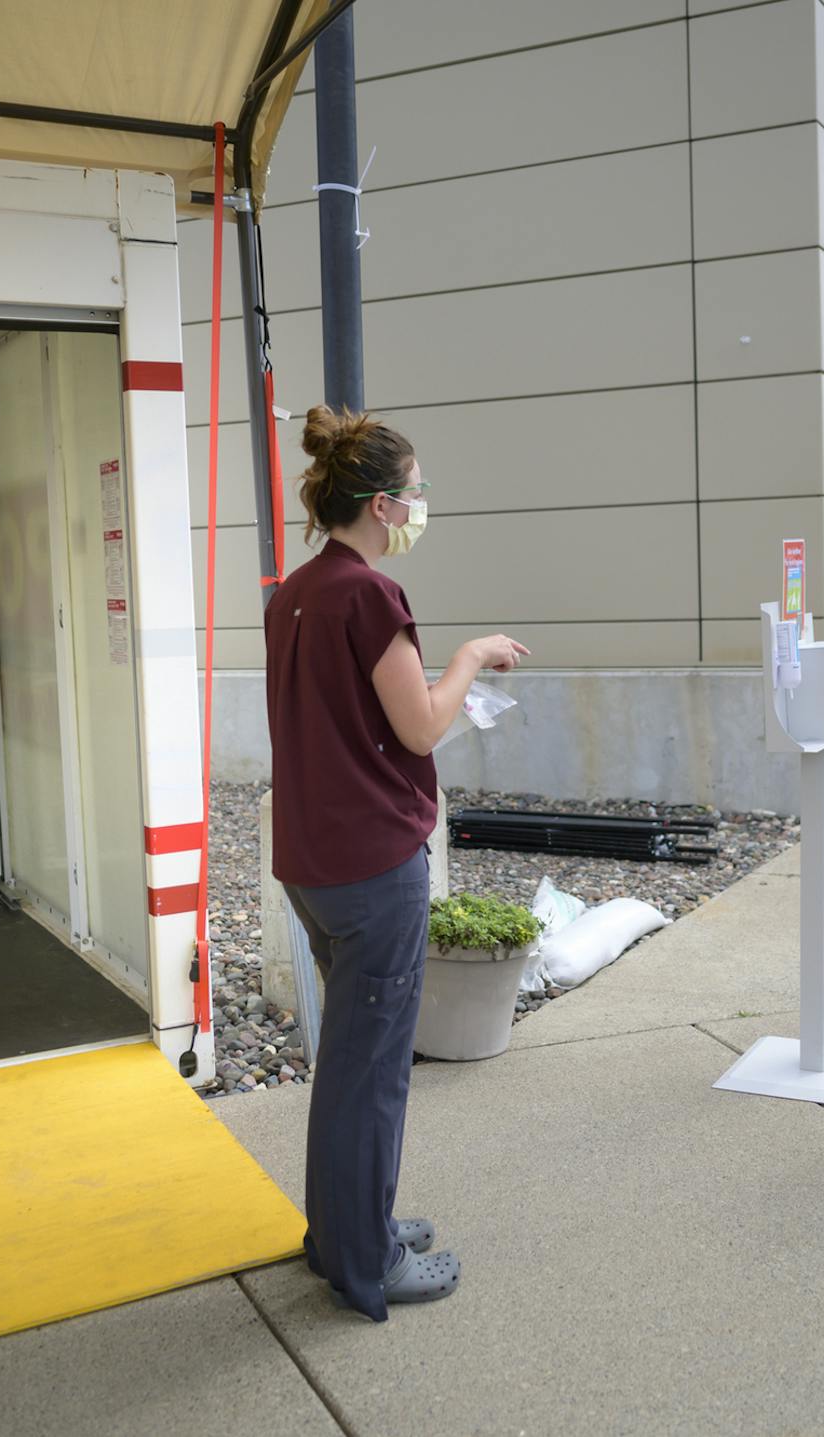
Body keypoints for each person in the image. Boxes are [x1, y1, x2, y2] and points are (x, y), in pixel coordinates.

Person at [265, 406, 527, 1319]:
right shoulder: (368, 596)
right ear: (382, 504)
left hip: (313, 860)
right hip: (373, 863)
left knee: (348, 1057)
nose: (421, 504)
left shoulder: (294, 591)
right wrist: (467, 656)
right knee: (370, 1068)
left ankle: (341, 1231)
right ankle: (365, 1259)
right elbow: (418, 722)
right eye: (414, 491)